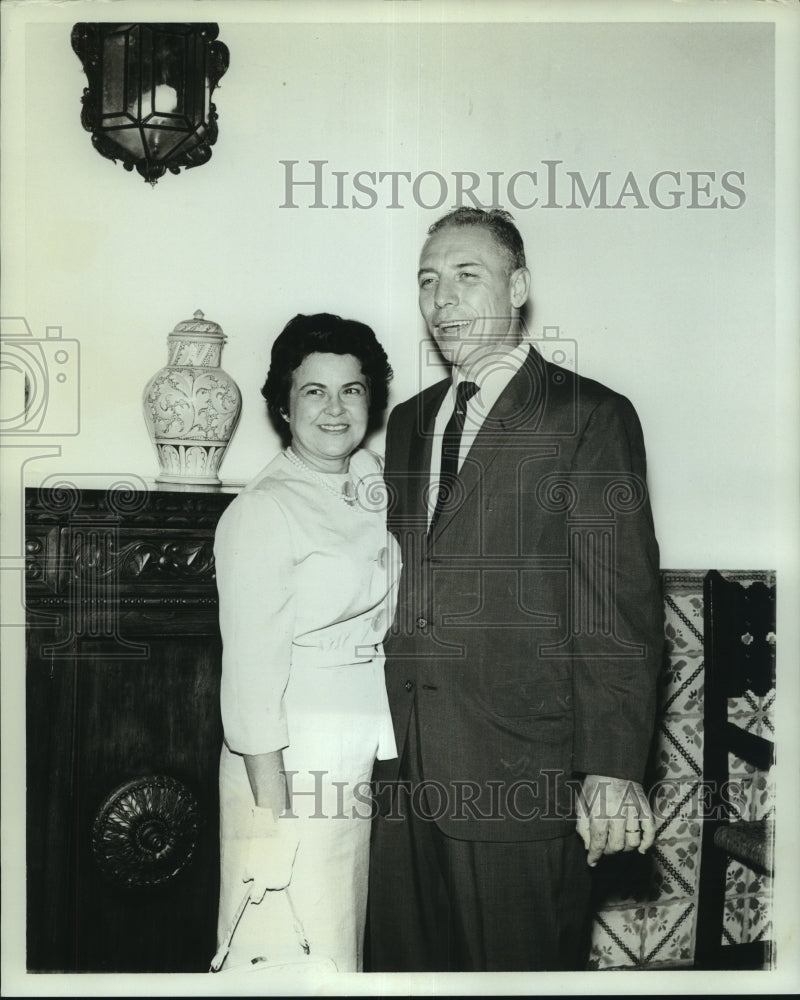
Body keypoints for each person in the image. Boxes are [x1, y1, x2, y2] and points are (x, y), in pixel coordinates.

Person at [366, 208, 664, 972]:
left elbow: (617, 606)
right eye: (428, 281)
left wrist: (611, 769)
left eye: (467, 276)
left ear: (519, 287)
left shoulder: (588, 415)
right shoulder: (407, 423)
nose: (443, 300)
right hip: (404, 772)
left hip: (521, 776)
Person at [213, 313, 399, 973]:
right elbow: (252, 690)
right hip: (286, 767)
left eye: (351, 389)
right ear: (284, 407)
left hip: (349, 753)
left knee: (336, 944)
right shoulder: (263, 511)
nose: (334, 406)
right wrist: (271, 825)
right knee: (287, 949)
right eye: (313, 390)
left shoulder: (367, 485)